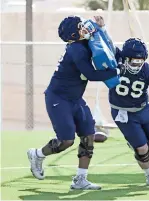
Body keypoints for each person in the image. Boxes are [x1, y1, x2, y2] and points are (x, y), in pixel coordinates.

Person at [27, 15, 122, 190]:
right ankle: (38, 154)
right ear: (73, 35)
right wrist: (116, 71)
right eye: (80, 27)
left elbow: (109, 48)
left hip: (75, 98)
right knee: (66, 140)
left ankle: (80, 179)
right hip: (58, 98)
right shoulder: (76, 49)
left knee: (88, 135)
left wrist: (102, 27)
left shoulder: (85, 42)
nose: (85, 28)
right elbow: (92, 75)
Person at [109, 38, 149, 186]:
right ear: (125, 58)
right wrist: (102, 28)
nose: (137, 65)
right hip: (123, 112)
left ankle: (136, 142)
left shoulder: (148, 70)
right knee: (142, 148)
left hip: (143, 109)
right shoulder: (116, 62)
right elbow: (107, 43)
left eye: (140, 61)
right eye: (133, 61)